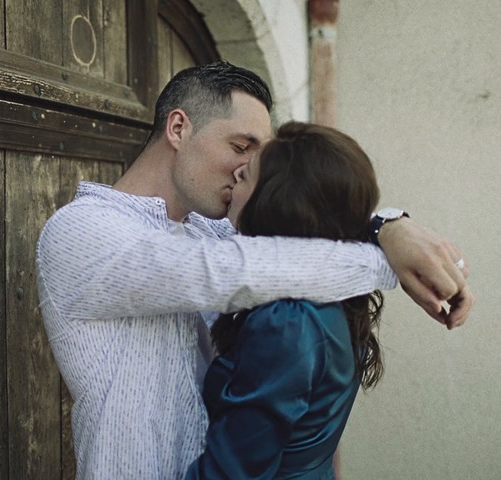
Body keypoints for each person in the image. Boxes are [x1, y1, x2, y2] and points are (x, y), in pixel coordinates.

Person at [36, 61, 474, 479]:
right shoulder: (81, 230)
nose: (247, 167)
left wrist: (387, 225)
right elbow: (227, 273)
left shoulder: (215, 229)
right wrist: (386, 251)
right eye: (240, 146)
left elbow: (309, 227)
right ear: (178, 128)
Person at [185, 121, 388, 479]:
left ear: (275, 201)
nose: (234, 174)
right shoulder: (333, 290)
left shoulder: (288, 321)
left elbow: (233, 471)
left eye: (245, 175)